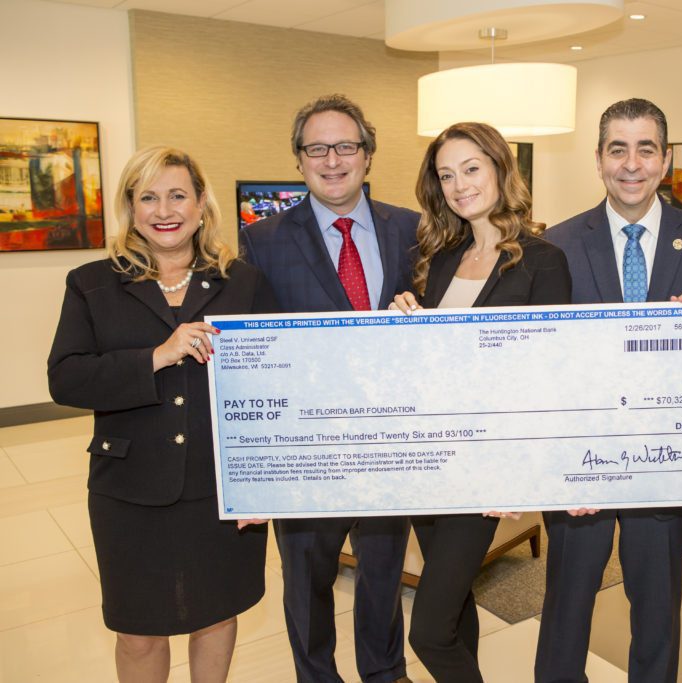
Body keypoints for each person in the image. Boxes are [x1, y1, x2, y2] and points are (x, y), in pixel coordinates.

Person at [47, 146, 277, 682]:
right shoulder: (91, 283)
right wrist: (156, 356)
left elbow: (272, 385)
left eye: (178, 195)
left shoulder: (243, 282)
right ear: (131, 207)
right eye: (148, 197)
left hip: (220, 485)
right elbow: (66, 378)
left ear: (200, 204)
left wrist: (264, 484)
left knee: (217, 614)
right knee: (138, 630)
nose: (165, 210)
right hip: (129, 487)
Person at [535, 98, 682, 683]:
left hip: (666, 463)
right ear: (598, 159)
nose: (631, 164)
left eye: (645, 150)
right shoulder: (557, 245)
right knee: (566, 604)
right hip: (580, 462)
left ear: (665, 159)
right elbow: (540, 361)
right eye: (617, 150)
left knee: (656, 609)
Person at [239, 94, 417, 683]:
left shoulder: (411, 230)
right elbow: (253, 354)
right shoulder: (262, 241)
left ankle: (384, 673)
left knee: (383, 575)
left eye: (345, 146)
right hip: (307, 447)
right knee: (307, 581)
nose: (332, 160)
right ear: (298, 159)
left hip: (390, 440)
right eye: (317, 148)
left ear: (367, 155)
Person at [391, 121, 571, 682]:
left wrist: (519, 472)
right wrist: (404, 326)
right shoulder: (441, 258)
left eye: (471, 169)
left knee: (426, 631)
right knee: (454, 613)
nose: (459, 185)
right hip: (430, 460)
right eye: (446, 175)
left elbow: (548, 376)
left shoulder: (543, 261)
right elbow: (434, 364)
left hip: (486, 468)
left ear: (499, 169)